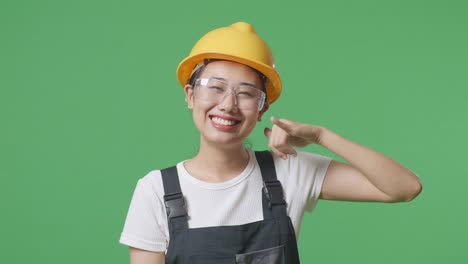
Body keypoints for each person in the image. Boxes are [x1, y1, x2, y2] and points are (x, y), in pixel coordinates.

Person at [119, 22, 422, 264]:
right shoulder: (155, 191)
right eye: (215, 87)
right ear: (190, 95)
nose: (228, 105)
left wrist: (321, 136)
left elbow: (404, 187)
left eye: (247, 93)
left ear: (262, 109)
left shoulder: (289, 170)